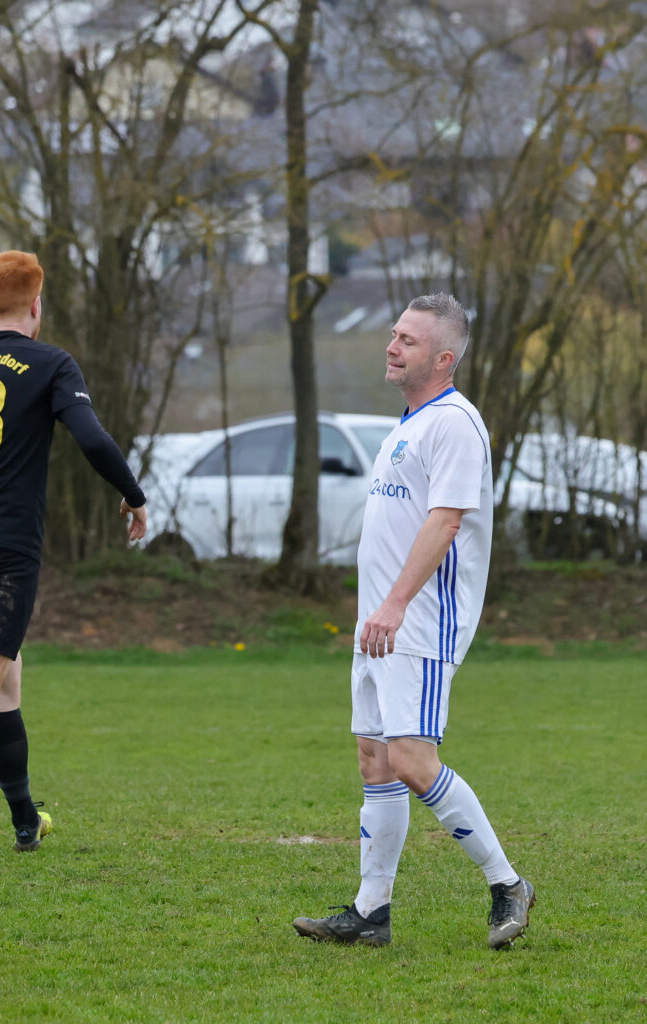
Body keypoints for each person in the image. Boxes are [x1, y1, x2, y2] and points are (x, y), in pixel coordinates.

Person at [293, 293, 535, 950]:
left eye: (408, 340)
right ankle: (371, 912)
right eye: (394, 333)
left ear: (443, 358)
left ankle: (508, 884)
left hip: (420, 622)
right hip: (380, 626)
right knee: (375, 759)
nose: (392, 346)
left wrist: (396, 605)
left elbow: (446, 521)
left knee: (410, 759)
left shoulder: (454, 423)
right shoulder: (408, 423)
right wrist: (376, 611)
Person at [0, 250, 147, 859]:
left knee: (5, 683)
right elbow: (91, 437)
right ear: (37, 307)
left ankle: (26, 819)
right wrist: (133, 494)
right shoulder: (50, 363)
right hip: (5, 551)